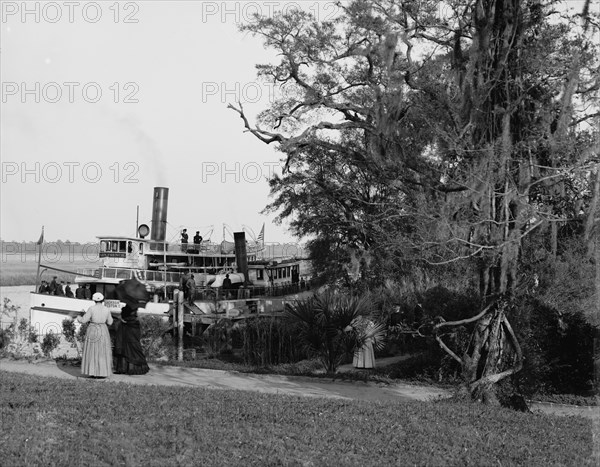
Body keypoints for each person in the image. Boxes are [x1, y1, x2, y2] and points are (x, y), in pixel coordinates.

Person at [113, 278, 150, 375]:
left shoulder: (127, 308)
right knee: (134, 346)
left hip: (126, 329)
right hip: (134, 328)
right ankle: (137, 367)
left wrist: (122, 316)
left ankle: (124, 367)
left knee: (125, 347)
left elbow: (124, 318)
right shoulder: (135, 308)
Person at [75, 292, 113, 378]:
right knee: (103, 351)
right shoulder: (107, 309)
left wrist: (78, 317)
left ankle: (93, 371)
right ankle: (102, 372)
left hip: (93, 329)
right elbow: (110, 322)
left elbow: (83, 320)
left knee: (92, 351)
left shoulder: (91, 308)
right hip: (103, 330)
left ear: (94, 300)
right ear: (103, 300)